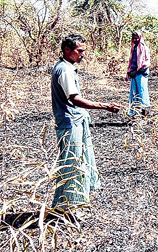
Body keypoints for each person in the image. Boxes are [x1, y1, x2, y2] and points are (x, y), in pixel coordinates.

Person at [51, 34, 121, 212]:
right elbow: (75, 99)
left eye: (83, 51)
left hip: (74, 121)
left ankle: (67, 206)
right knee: (72, 166)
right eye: (79, 51)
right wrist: (104, 106)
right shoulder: (65, 71)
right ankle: (68, 208)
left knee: (78, 162)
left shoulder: (67, 68)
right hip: (69, 123)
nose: (82, 54)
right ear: (67, 50)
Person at [126, 30, 151, 116]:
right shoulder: (133, 49)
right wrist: (129, 72)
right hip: (134, 73)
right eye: (134, 38)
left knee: (142, 92)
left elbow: (147, 63)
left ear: (140, 38)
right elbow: (131, 61)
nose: (135, 40)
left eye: (137, 38)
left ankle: (145, 114)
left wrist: (137, 70)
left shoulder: (144, 48)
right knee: (134, 93)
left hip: (141, 73)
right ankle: (134, 114)